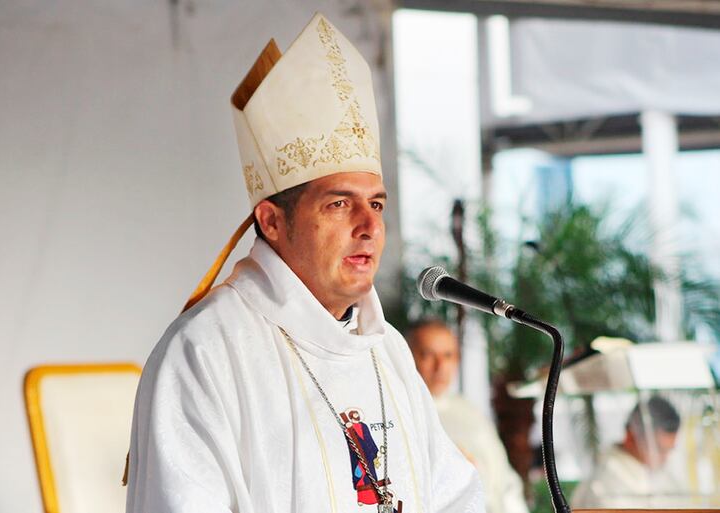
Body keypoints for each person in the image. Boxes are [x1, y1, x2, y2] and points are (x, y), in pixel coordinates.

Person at [124, 13, 484, 513]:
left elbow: (456, 498)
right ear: (271, 222)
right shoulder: (206, 351)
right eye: (339, 203)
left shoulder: (388, 352)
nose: (369, 225)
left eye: (376, 204)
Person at [407, 319, 530, 513]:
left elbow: (505, 481)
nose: (440, 366)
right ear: (408, 357)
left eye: (448, 355)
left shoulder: (469, 411)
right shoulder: (400, 416)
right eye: (428, 354)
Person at [571, 395, 684, 508]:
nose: (665, 458)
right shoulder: (606, 483)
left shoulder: (655, 474)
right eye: (659, 449)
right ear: (631, 436)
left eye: (668, 450)